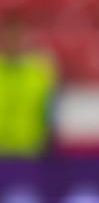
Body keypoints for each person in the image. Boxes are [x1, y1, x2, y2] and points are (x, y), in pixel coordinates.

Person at [0, 17, 58, 158]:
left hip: (32, 150)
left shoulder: (41, 71)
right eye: (10, 37)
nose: (14, 42)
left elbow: (50, 111)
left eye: (18, 37)